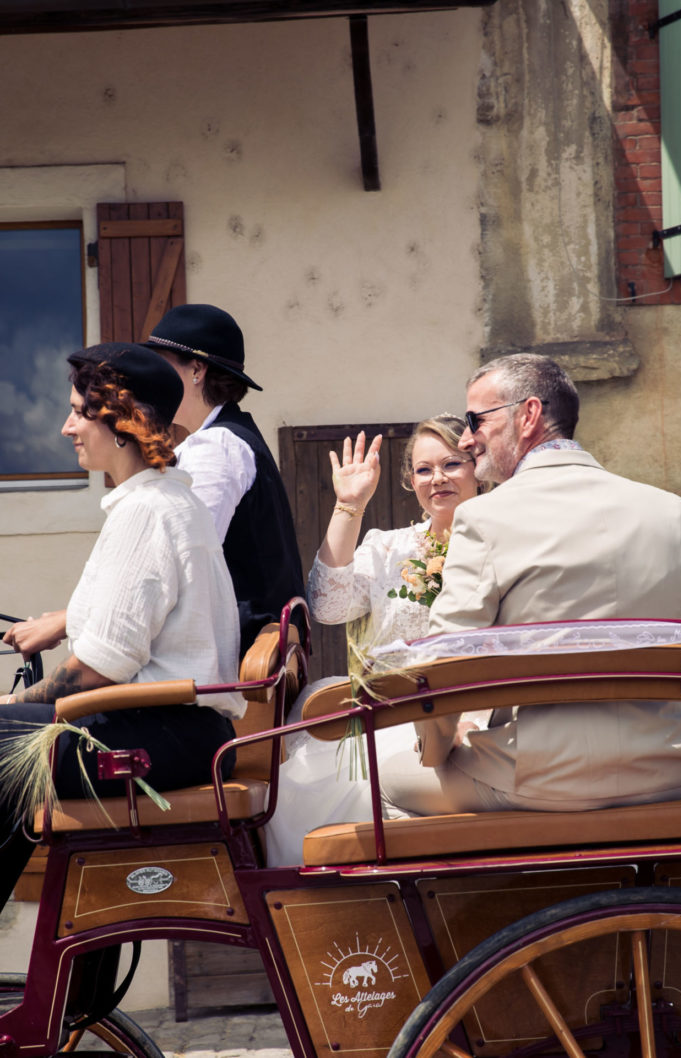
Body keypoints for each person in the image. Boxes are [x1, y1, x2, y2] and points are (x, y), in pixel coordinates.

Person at [380, 353, 681, 818]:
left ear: (528, 415)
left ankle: (493, 894)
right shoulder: (672, 511)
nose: (468, 438)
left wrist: (440, 749)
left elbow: (441, 659)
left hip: (541, 777)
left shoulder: (485, 516)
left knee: (388, 779)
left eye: (476, 419)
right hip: (667, 774)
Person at [0, 343, 243, 908]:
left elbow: (97, 669)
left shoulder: (148, 512)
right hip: (172, 733)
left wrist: (15, 707)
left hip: (159, 737)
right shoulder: (163, 504)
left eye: (80, 413)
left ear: (122, 420)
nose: (66, 427)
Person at [265, 415, 484, 865]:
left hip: (479, 712)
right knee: (299, 788)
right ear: (409, 481)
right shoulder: (389, 548)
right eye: (423, 470)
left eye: (452, 464)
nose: (437, 478)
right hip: (391, 714)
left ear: (478, 466)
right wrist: (349, 505)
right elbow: (327, 607)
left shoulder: (505, 543)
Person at [143, 304, 305, 657]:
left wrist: (71, 620)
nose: (151, 378)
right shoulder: (225, 439)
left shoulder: (216, 447)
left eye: (161, 364)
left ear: (197, 370)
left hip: (224, 669)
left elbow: (180, 567)